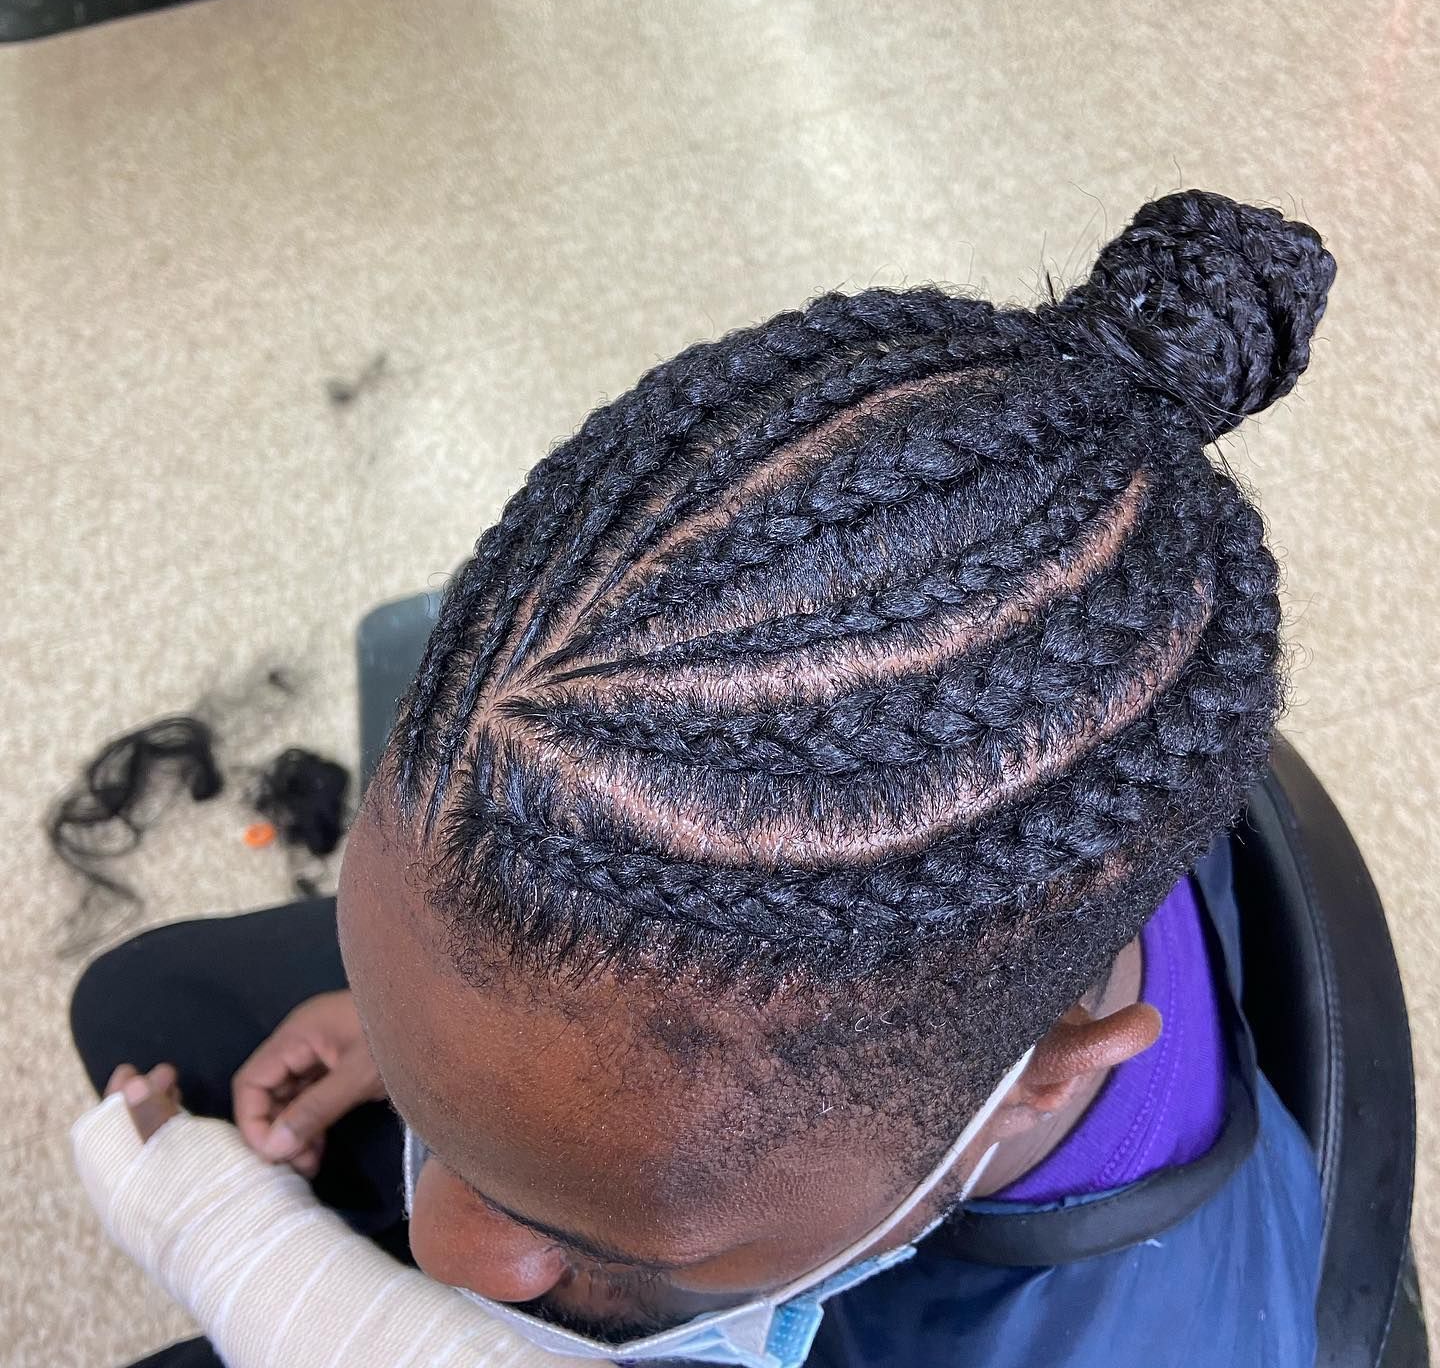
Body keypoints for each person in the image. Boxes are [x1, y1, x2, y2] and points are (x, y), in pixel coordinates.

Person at [71, 188, 1336, 1368]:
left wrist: (278, 1281)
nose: (445, 1248)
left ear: (1051, 1069)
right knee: (139, 1002)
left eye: (609, 1242)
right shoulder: (1042, 778)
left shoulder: (1158, 1335)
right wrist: (458, 1082)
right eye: (429, 1115)